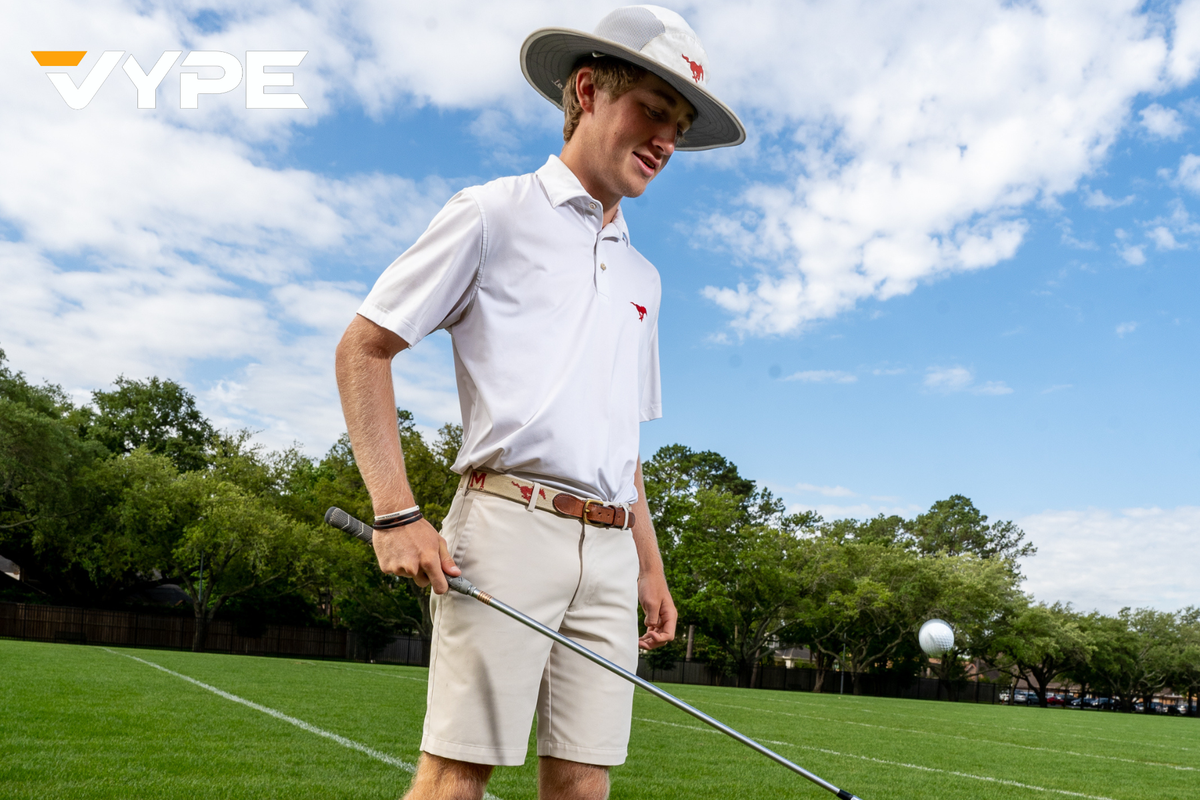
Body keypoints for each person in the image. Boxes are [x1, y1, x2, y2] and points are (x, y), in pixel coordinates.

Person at [334, 6, 744, 799]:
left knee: (584, 784)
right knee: (458, 774)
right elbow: (364, 348)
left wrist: (649, 571)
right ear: (587, 89)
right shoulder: (491, 213)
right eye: (652, 110)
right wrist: (394, 510)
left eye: (679, 125)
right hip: (507, 525)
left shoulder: (644, 278)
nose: (666, 139)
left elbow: (620, 441)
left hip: (611, 551)